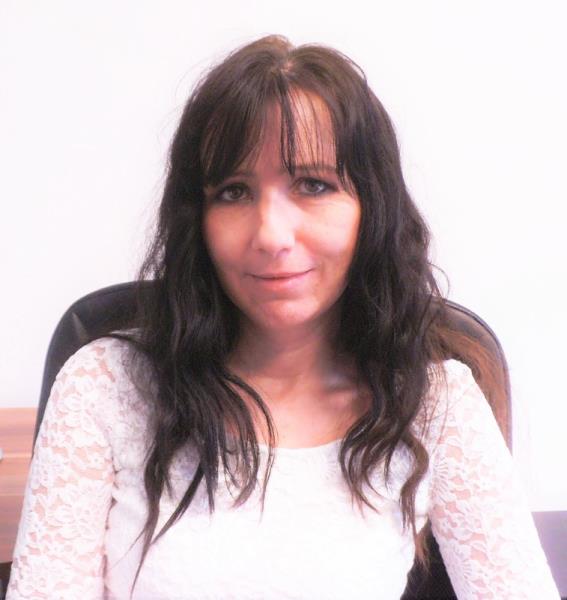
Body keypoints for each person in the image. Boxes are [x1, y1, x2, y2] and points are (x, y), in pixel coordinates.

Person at [6, 35, 559, 600]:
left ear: (372, 210)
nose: (271, 236)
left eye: (314, 185)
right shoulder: (105, 386)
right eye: (234, 192)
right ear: (197, 219)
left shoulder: (436, 404)